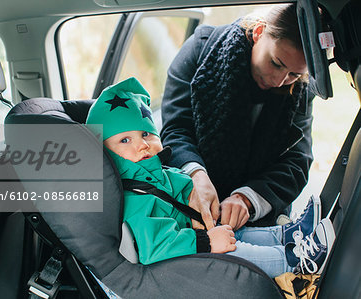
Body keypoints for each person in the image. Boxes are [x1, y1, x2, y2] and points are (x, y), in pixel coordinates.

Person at [85, 77, 334, 278]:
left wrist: (198, 200)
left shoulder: (156, 172)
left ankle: (288, 236)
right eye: (125, 140)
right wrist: (205, 241)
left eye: (146, 134)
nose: (142, 145)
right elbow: (155, 247)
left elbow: (180, 193)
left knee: (237, 232)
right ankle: (294, 262)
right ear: (104, 152)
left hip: (194, 236)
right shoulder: (131, 197)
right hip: (183, 260)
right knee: (237, 250)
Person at [160, 3, 314, 231]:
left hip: (257, 216)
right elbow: (176, 129)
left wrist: (248, 199)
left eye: (294, 74)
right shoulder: (201, 50)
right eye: (276, 63)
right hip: (193, 207)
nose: (280, 81)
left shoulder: (299, 90)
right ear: (259, 32)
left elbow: (297, 161)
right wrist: (195, 174)